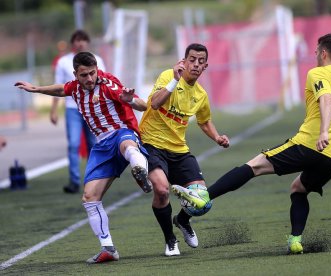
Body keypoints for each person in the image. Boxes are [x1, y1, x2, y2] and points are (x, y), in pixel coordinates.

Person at [172, 33, 331, 254]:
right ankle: (295, 241)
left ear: (323, 52)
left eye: (316, 52)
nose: (315, 56)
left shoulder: (318, 73)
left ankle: (203, 197)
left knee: (253, 166)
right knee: (298, 189)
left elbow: (327, 99)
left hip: (311, 144)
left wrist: (324, 132)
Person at [15, 51, 152, 264]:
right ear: (76, 75)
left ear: (97, 69)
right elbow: (61, 89)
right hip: (102, 147)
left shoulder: (108, 84)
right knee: (89, 198)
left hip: (122, 133)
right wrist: (35, 88)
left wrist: (130, 101)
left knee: (128, 146)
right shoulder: (75, 88)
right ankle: (108, 248)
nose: (89, 79)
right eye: (84, 75)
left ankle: (140, 170)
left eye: (92, 73)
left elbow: (143, 105)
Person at [139, 43, 230, 256]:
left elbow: (204, 121)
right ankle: (170, 240)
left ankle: (182, 219)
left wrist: (218, 137)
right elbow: (154, 104)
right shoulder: (167, 76)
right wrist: (174, 80)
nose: (195, 64)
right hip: (152, 144)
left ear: (205, 66)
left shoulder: (200, 95)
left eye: (200, 61)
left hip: (179, 150)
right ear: (184, 60)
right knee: (161, 191)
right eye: (192, 59)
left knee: (203, 202)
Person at [50, 30, 106, 194]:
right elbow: (58, 87)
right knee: (73, 144)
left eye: (83, 40)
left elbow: (105, 83)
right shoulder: (63, 62)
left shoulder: (98, 60)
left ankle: (94, 178)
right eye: (77, 40)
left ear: (87, 42)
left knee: (93, 145)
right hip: (72, 108)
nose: (80, 43)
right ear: (72, 42)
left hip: (92, 108)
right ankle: (74, 181)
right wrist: (53, 111)